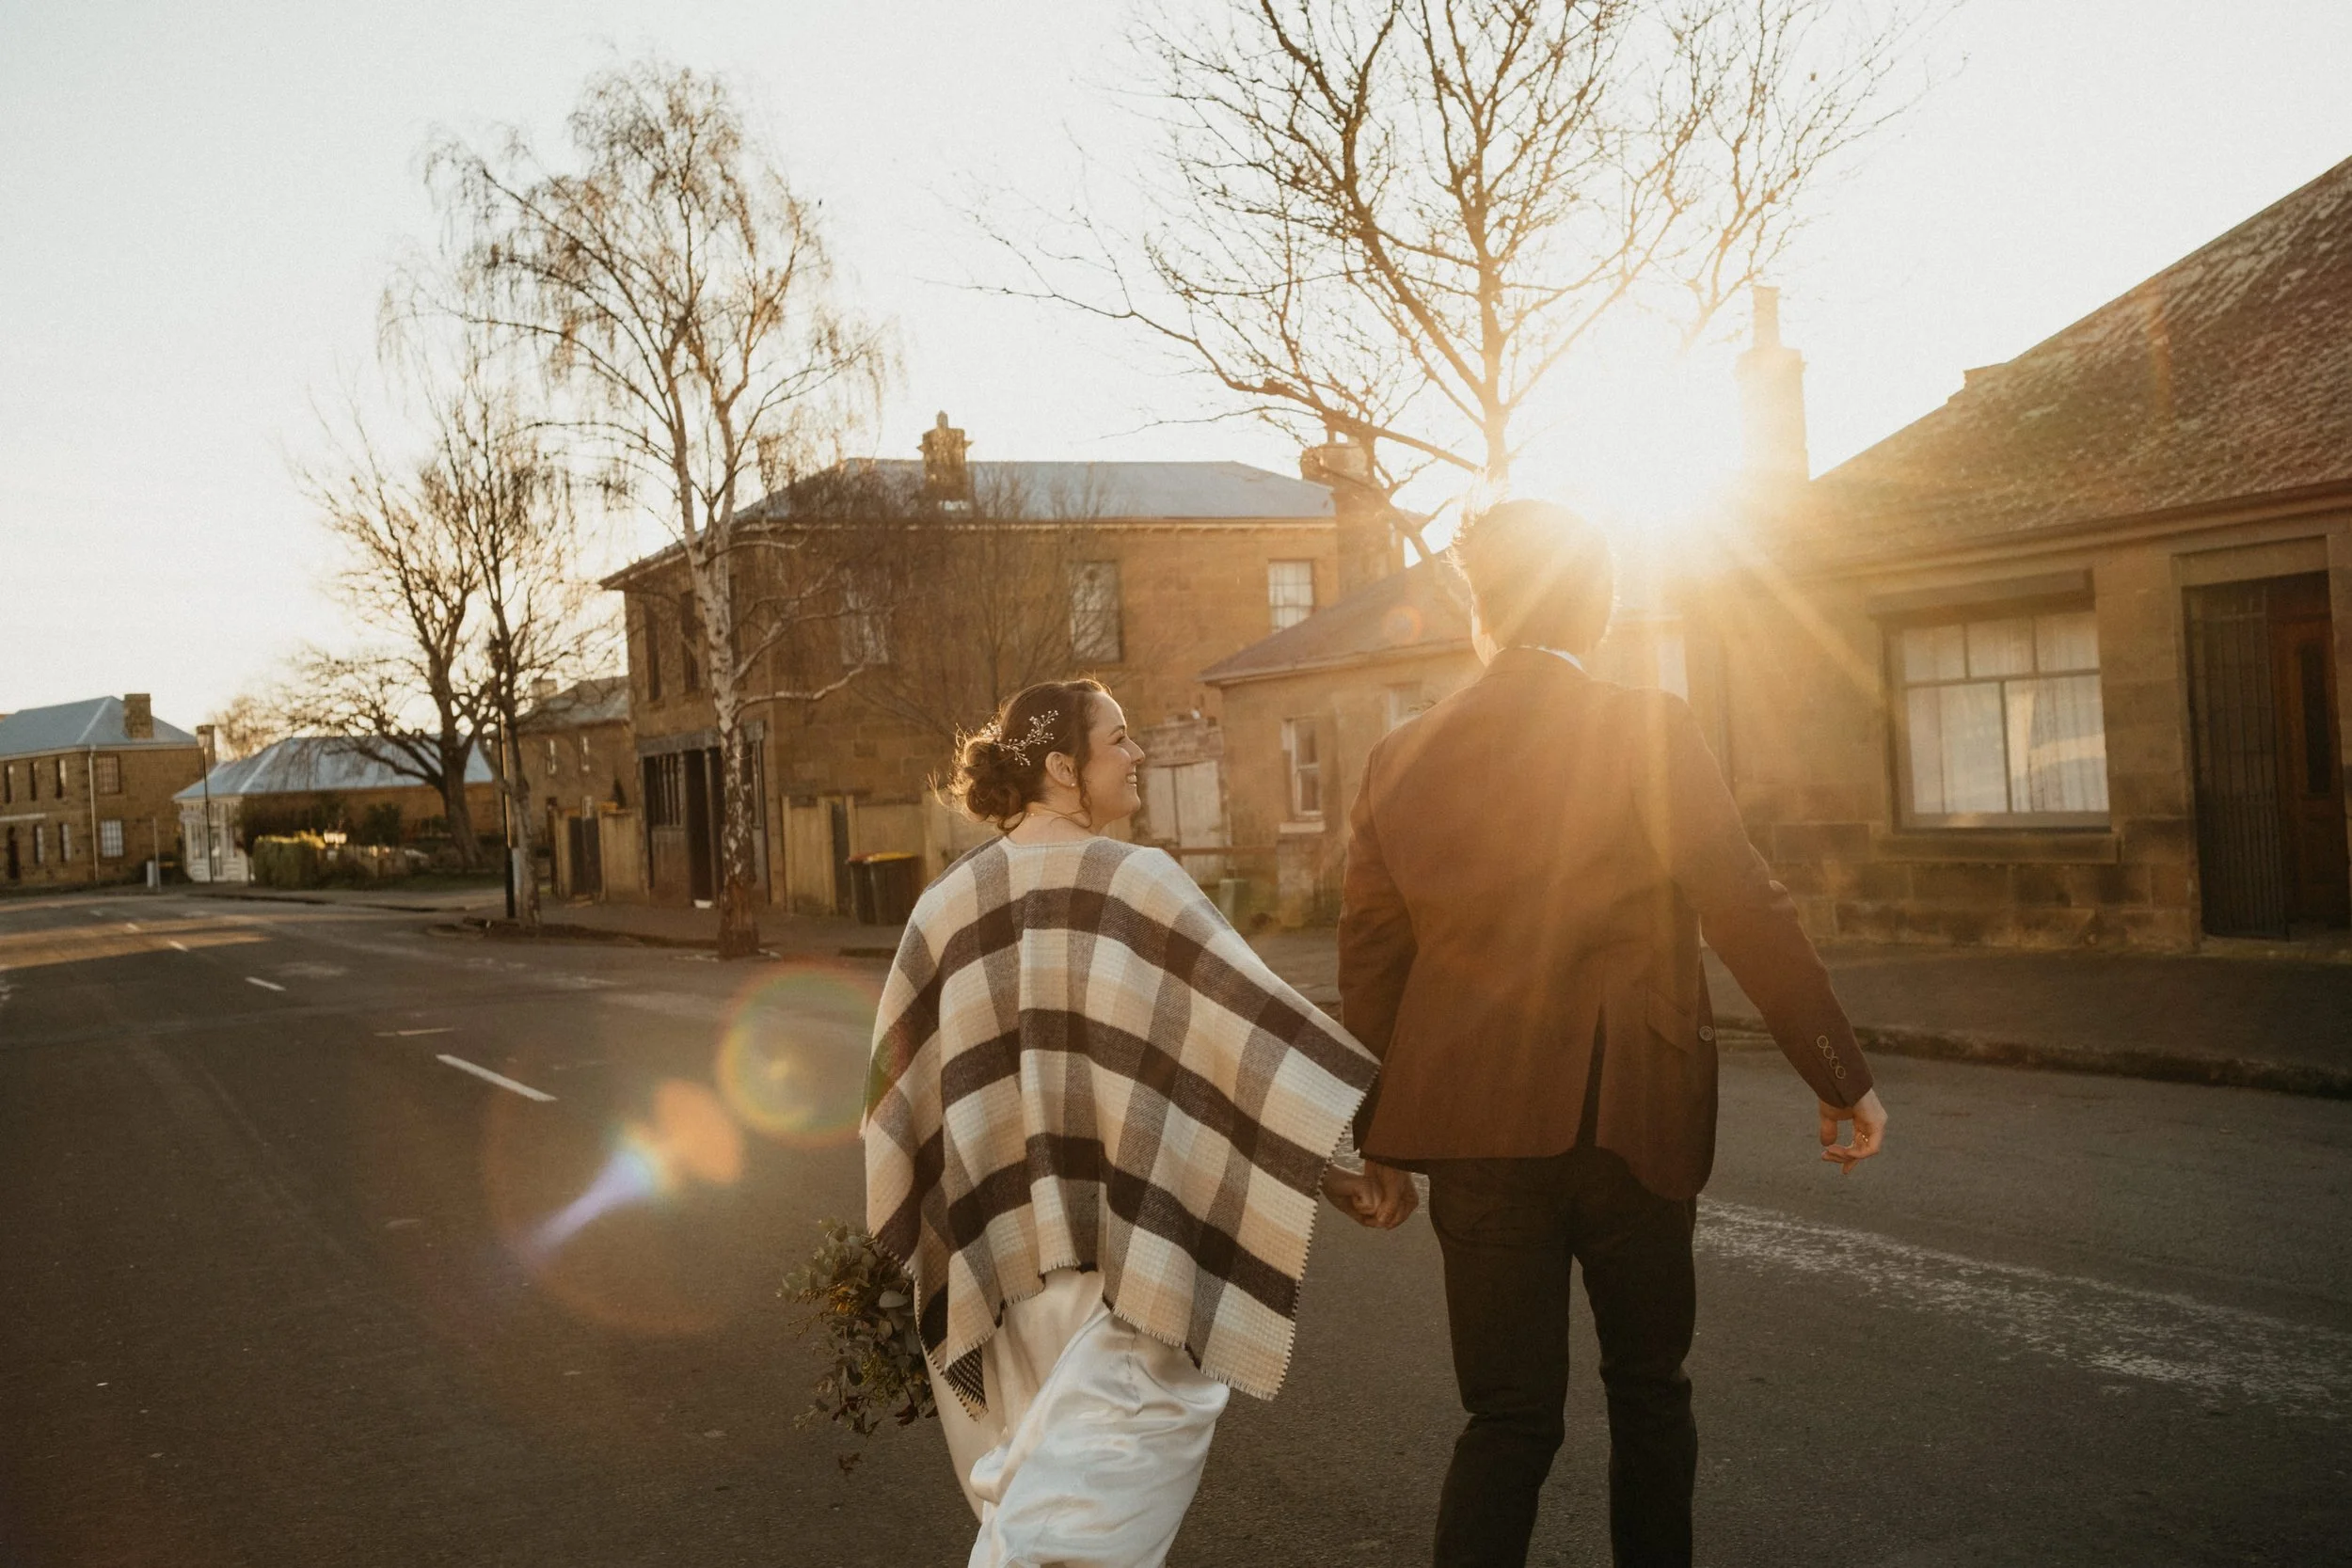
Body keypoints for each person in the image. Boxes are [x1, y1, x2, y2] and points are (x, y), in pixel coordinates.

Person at [1337, 499, 1889, 1568]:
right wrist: (1837, 1072)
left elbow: (1372, 965)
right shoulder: (1647, 724)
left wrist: (1378, 1137)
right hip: (1632, 1114)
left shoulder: (1396, 759)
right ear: (1596, 613)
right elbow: (1743, 904)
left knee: (1505, 1419)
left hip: (1475, 1137)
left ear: (1479, 610)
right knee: (1648, 1394)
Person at [864, 678, 1392, 1568]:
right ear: (1065, 768)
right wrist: (1342, 1156)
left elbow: (895, 1089)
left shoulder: (943, 905)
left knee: (1032, 1488)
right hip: (1121, 1260)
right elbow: (1254, 1033)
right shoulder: (1137, 881)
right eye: (1120, 740)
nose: (1138, 753)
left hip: (999, 1262)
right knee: (1077, 1529)